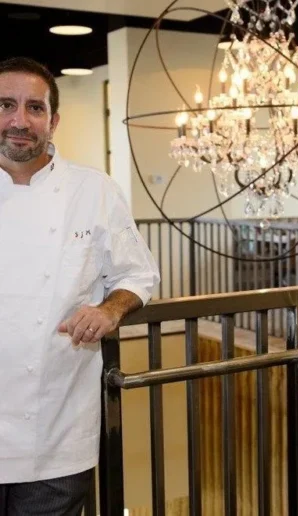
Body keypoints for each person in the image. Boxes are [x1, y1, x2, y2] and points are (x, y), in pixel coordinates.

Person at [0, 57, 160, 515]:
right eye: (6, 105)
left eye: (34, 108)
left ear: (53, 120)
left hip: (56, 427)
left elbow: (139, 274)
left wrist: (110, 310)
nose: (19, 120)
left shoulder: (95, 191)